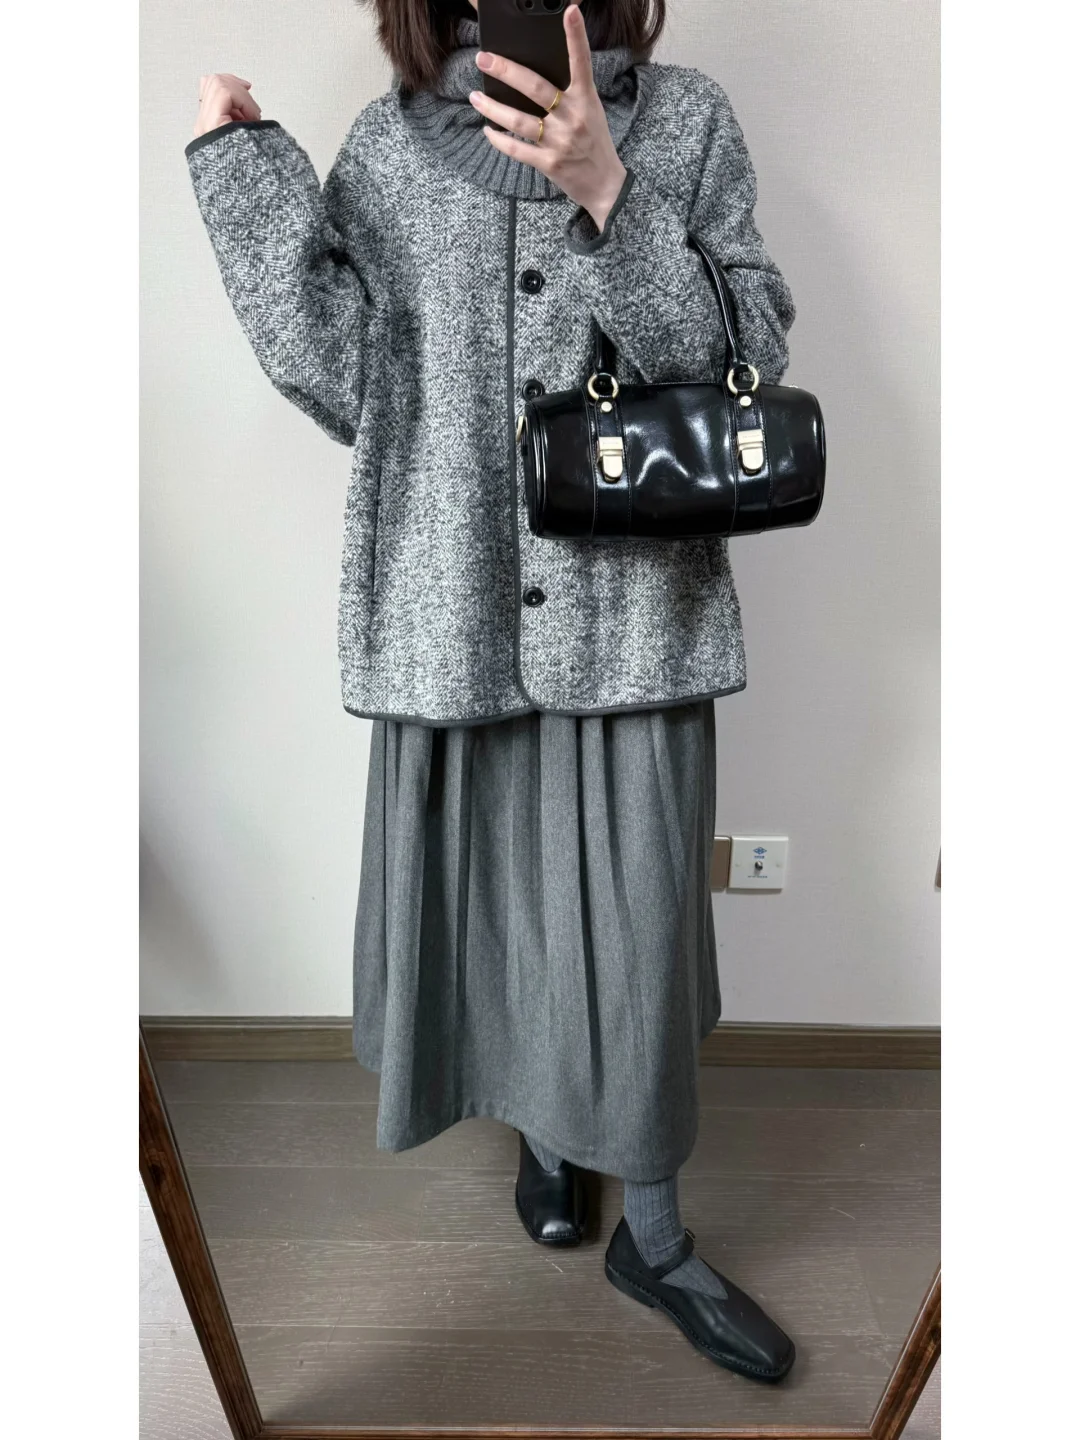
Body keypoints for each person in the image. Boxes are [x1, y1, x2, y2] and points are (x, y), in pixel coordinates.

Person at [186, 0, 796, 1384]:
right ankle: (549, 1134)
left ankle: (654, 1237)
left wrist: (608, 192)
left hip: (638, 620)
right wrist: (247, 176)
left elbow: (743, 356)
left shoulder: (686, 124)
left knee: (634, 930)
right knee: (502, 908)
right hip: (450, 602)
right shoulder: (389, 147)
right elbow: (344, 380)